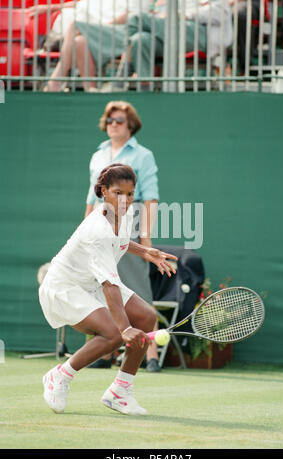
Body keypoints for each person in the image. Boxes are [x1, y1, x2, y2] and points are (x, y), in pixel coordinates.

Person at [39, 163, 177, 416]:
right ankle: (60, 375)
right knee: (113, 333)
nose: (125, 200)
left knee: (147, 317)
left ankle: (120, 392)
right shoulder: (97, 231)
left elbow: (121, 242)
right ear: (103, 191)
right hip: (65, 287)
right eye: (118, 193)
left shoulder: (118, 217)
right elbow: (110, 285)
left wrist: (146, 251)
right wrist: (125, 329)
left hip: (90, 282)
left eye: (130, 194)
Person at [85, 100, 161, 372]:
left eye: (118, 121)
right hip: (99, 222)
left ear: (131, 126)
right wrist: (86, 229)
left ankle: (150, 354)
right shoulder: (98, 155)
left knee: (137, 287)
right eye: (109, 120)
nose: (112, 125)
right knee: (103, 287)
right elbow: (91, 196)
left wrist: (146, 237)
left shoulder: (143, 155)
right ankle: (105, 352)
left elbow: (150, 198)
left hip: (130, 219)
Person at [103, 0, 232, 91]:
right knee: (140, 40)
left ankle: (120, 77)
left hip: (201, 34)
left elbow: (222, 12)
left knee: (136, 18)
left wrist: (185, 15)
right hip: (171, 34)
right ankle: (145, 88)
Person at [35, 0, 151, 91]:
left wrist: (95, 28)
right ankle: (91, 91)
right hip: (104, 33)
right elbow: (83, 4)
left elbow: (132, 16)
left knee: (75, 25)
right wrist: (49, 8)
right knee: (79, 42)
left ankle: (56, 80)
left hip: (127, 32)